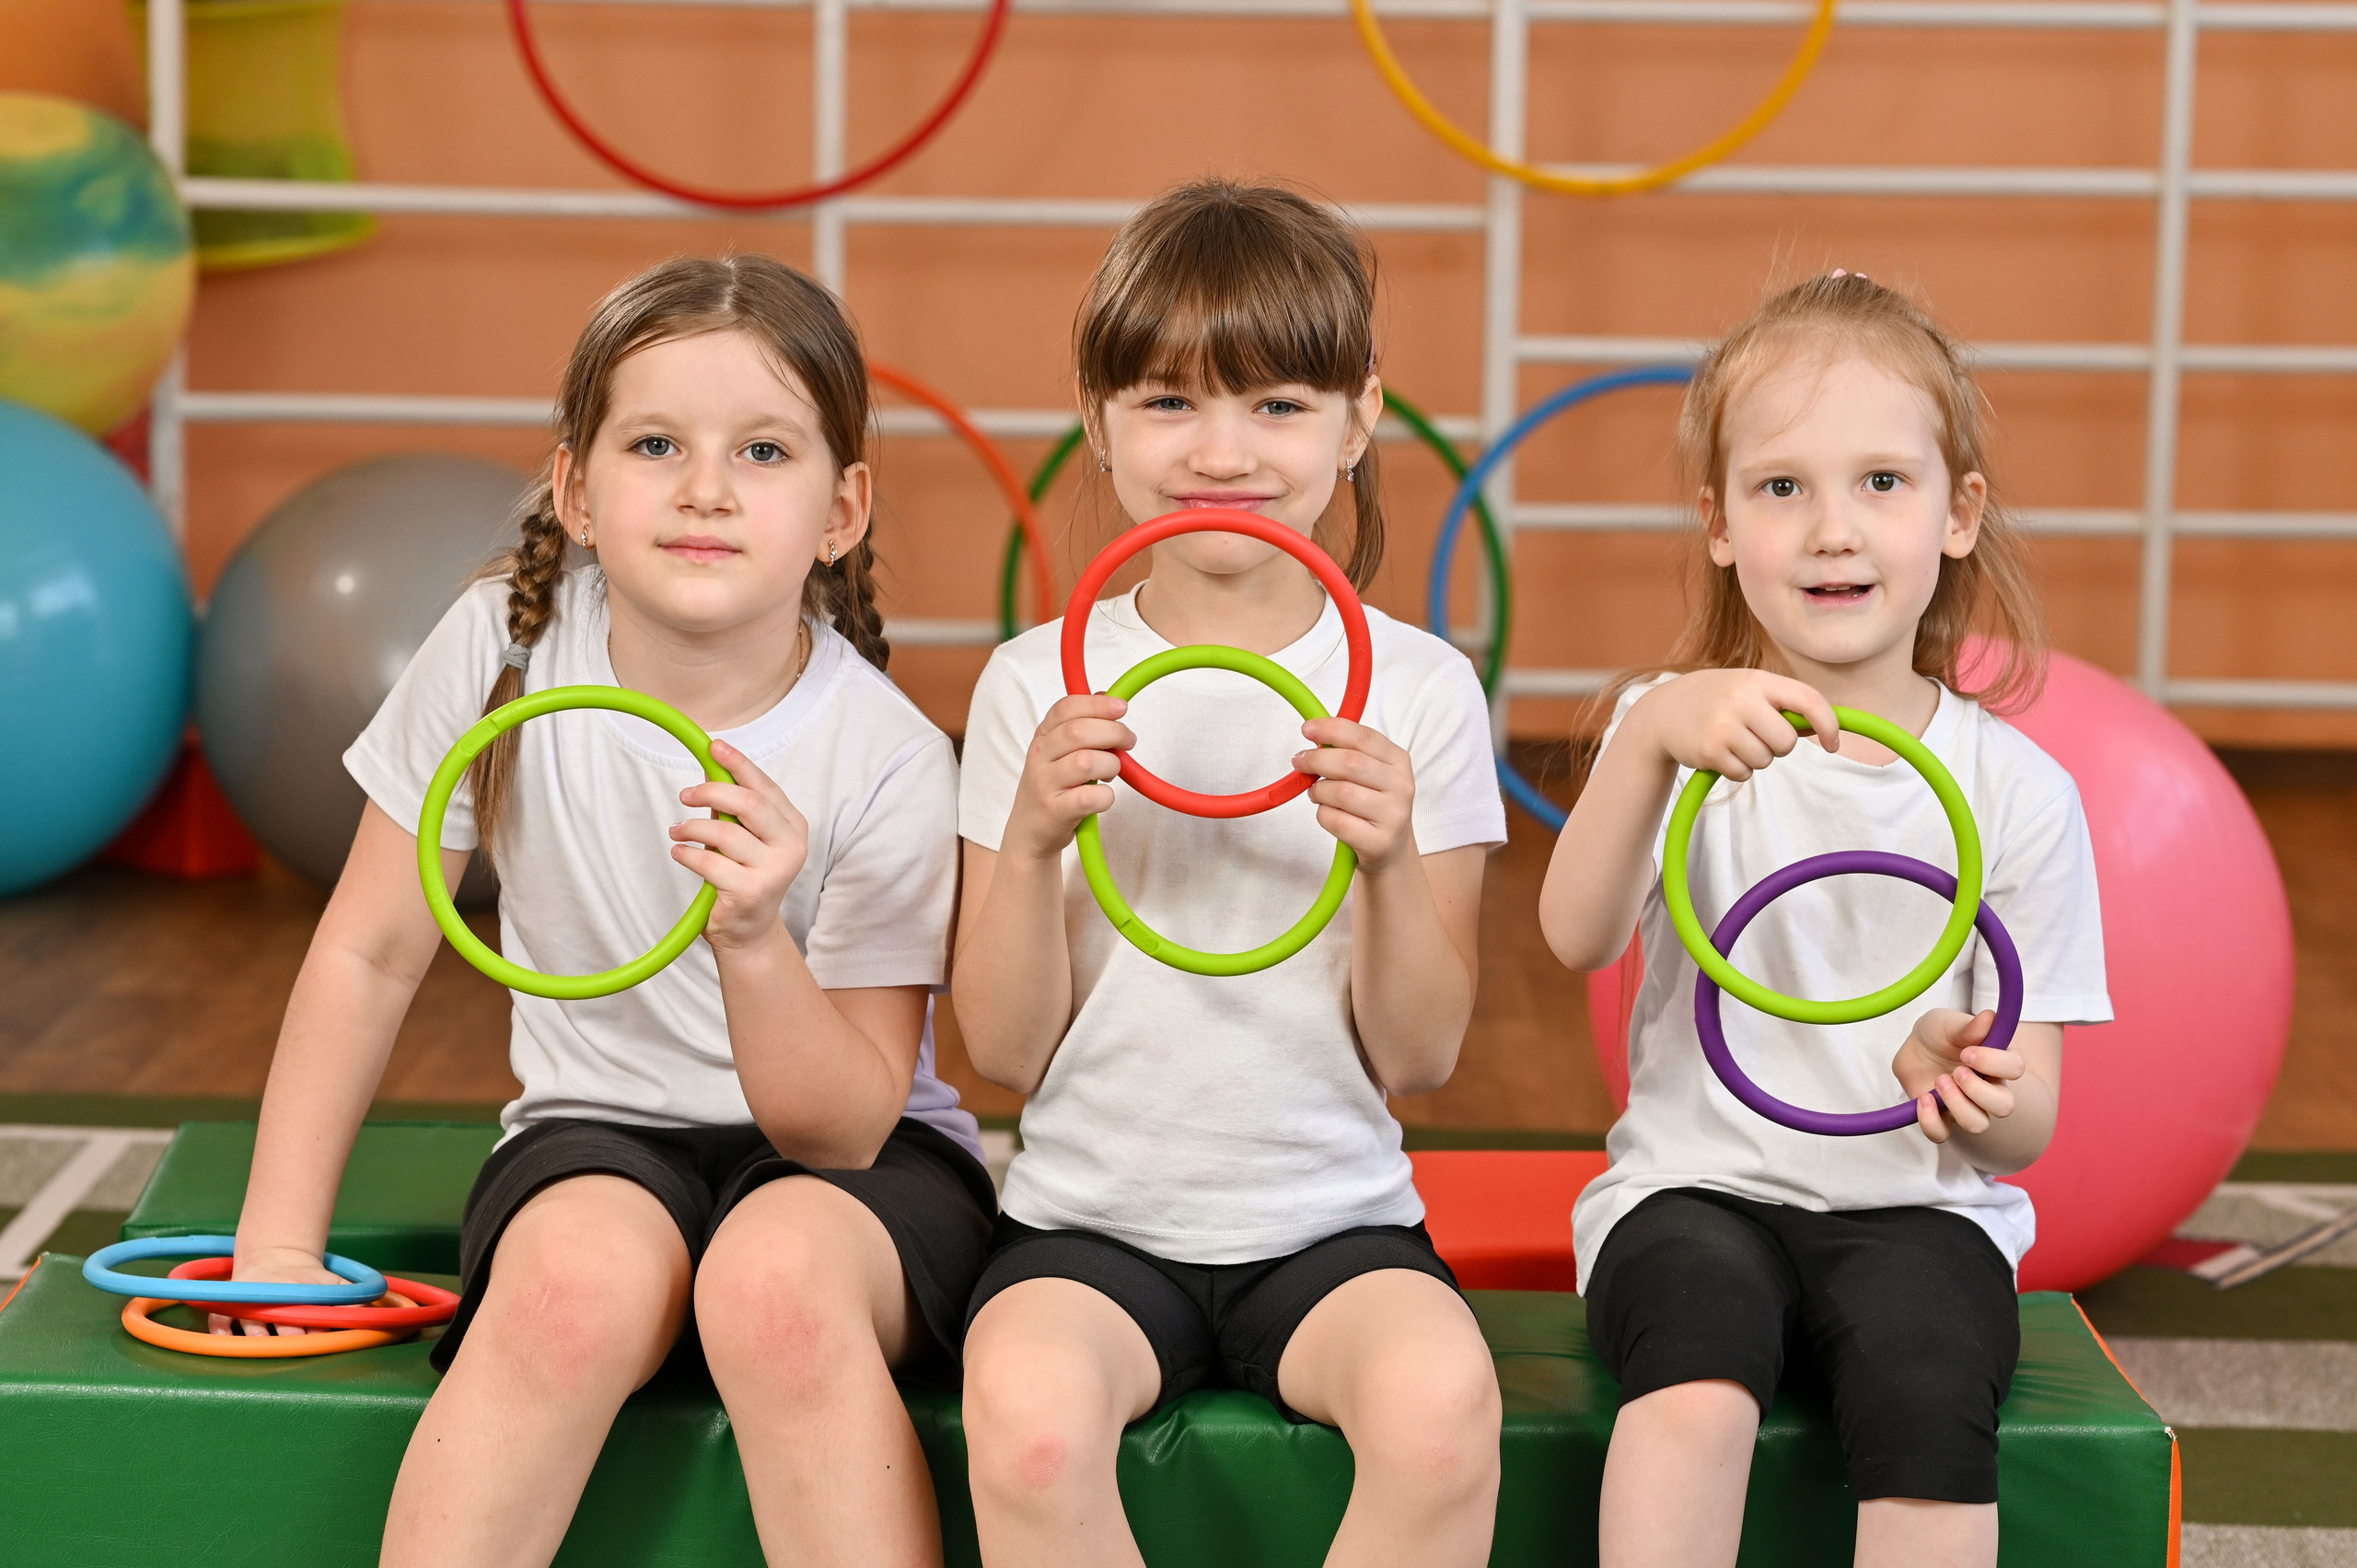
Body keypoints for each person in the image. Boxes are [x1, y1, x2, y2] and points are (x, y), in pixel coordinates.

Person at [227, 254, 994, 1568]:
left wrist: (752, 940)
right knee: (569, 1294)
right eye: (656, 444)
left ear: (840, 508)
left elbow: (847, 1118)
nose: (706, 488)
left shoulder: (890, 758)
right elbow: (368, 948)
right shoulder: (500, 650)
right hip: (597, 1134)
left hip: (853, 1169)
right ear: (577, 491)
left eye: (762, 450)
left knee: (776, 1291)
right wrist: (276, 1240)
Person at [952, 178, 1509, 1568]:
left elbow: (1425, 1054)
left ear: (1359, 416)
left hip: (1333, 1226)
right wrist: (1026, 845)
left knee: (1445, 1418)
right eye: (1168, 403)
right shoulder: (1033, 686)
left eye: (1276, 405)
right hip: (1085, 1223)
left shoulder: (1423, 692)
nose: (1222, 451)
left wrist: (1385, 864)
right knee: (1023, 1426)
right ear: (1098, 420)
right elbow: (1005, 1048)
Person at [1539, 273, 2111, 1568]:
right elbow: (1575, 936)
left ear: (1958, 515)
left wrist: (1962, 1072)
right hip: (1694, 1187)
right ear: (1721, 524)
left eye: (1882, 484)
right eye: (1782, 488)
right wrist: (1645, 746)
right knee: (1690, 1380)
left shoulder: (2017, 793)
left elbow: (2027, 1129)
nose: (1831, 531)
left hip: (1921, 1207)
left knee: (1925, 1395)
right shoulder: (1674, 729)